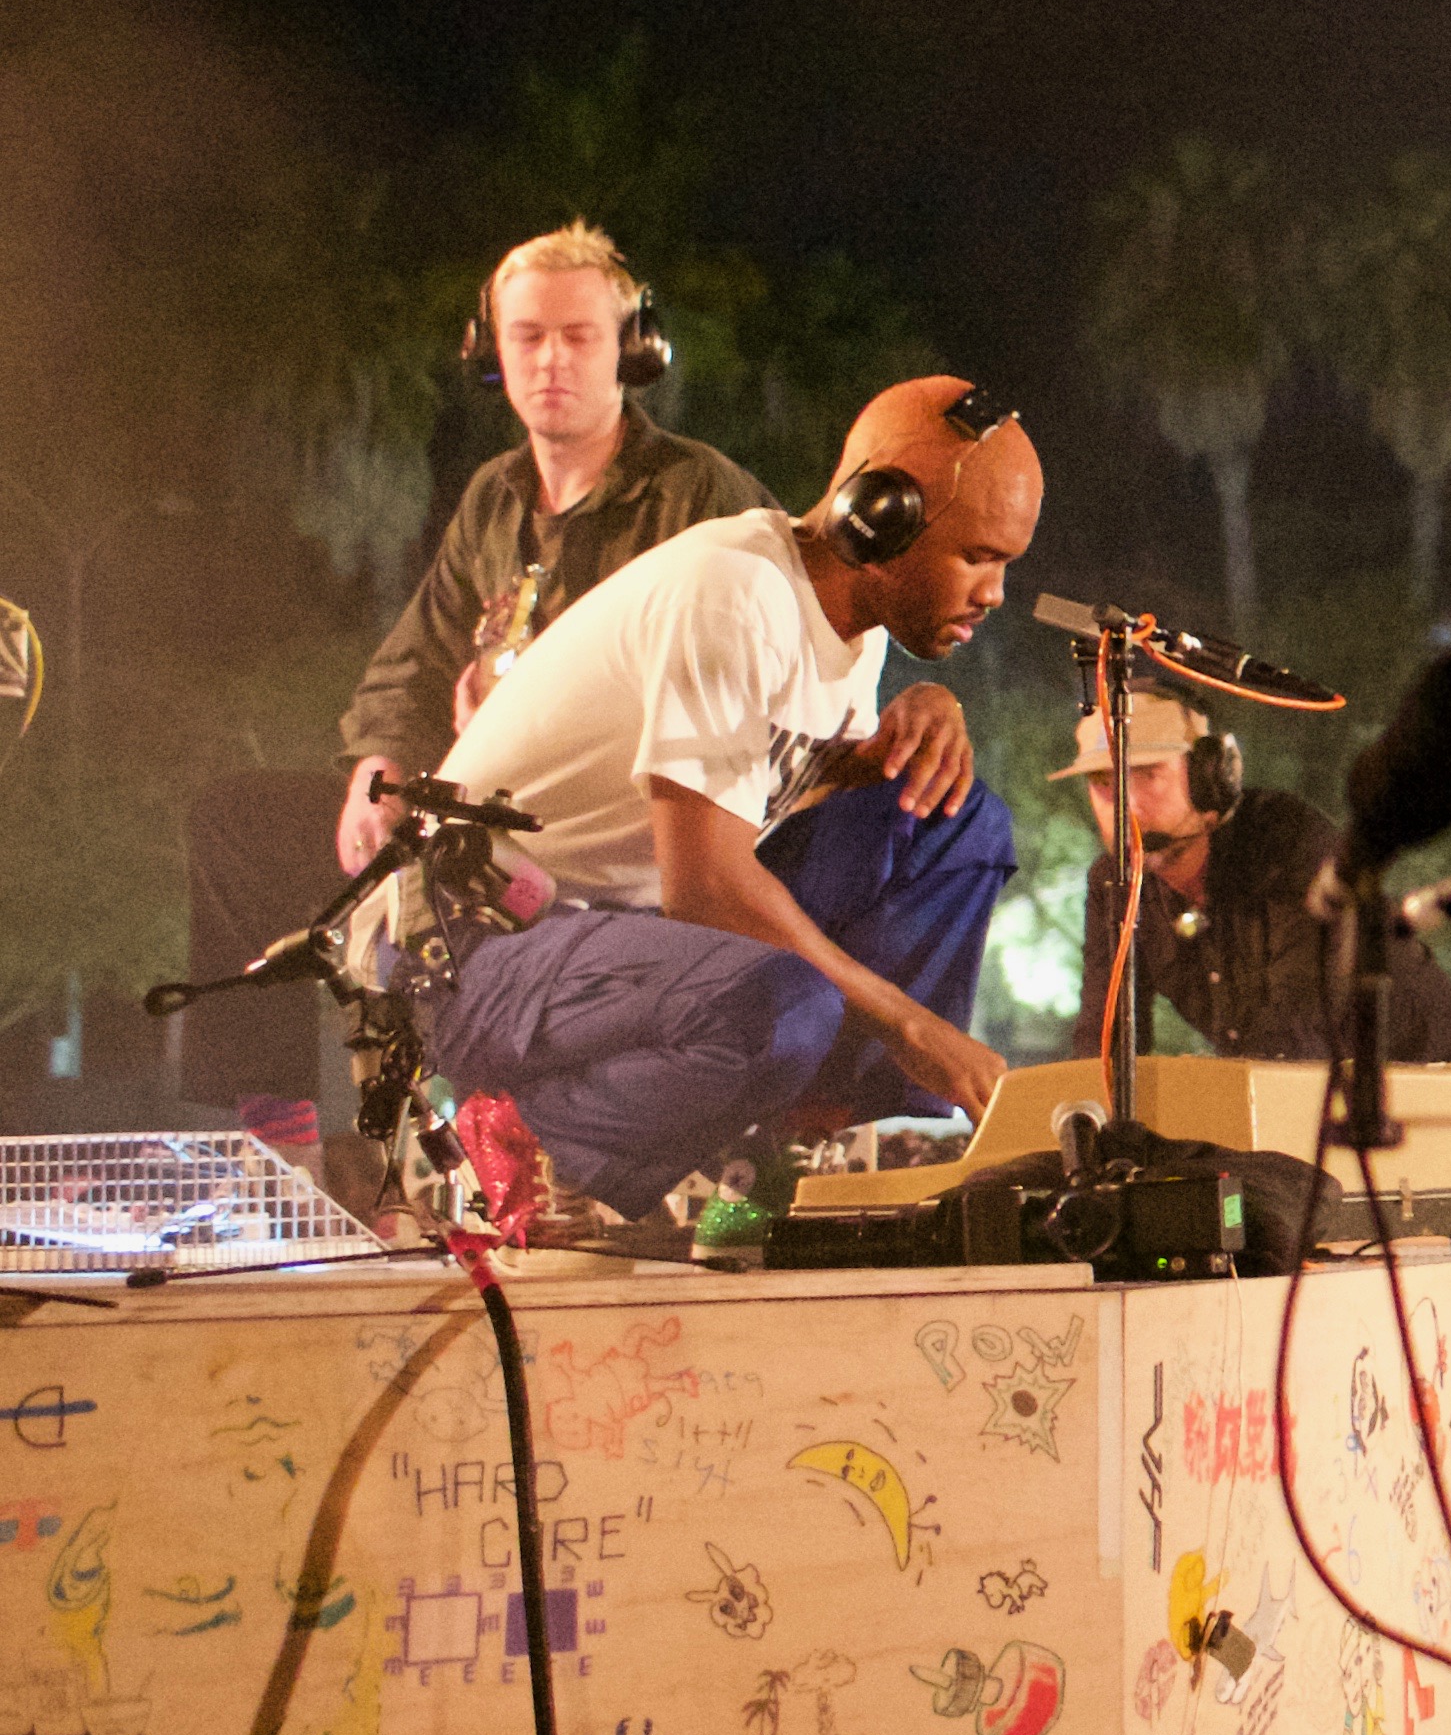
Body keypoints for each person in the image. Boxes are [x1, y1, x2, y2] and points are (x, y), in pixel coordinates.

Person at [179, 222, 796, 1120]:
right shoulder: (494, 499)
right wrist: (378, 769)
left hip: (606, 842)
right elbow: (414, 662)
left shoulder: (701, 495)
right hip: (470, 827)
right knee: (234, 823)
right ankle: (280, 1143)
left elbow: (797, 631)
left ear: (632, 352)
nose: (550, 360)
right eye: (527, 337)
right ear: (489, 353)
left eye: (579, 337)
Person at [394, 377, 1033, 1224]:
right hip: (471, 951)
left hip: (616, 940)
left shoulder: (851, 631)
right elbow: (708, 890)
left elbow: (770, 790)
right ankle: (509, 1144)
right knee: (781, 1003)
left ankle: (841, 1146)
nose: (993, 593)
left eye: (1004, 565)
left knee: (951, 820)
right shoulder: (733, 593)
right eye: (976, 555)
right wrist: (907, 1023)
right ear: (879, 518)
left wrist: (894, 744)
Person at [1063, 691, 1451, 1063]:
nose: (1125, 803)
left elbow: (1295, 1034)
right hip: (1306, 1108)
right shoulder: (1112, 885)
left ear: (1210, 778)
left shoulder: (1287, 843)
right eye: (1103, 781)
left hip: (1432, 1099)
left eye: (1148, 774)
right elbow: (1101, 1048)